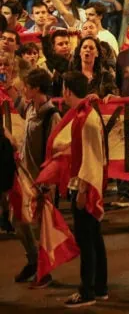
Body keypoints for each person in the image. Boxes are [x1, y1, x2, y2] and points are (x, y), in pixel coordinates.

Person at [59, 71, 109, 307]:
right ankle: (100, 287)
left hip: (85, 186)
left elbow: (92, 158)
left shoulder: (87, 117)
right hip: (87, 182)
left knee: (87, 241)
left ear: (68, 90)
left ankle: (87, 291)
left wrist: (82, 190)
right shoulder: (84, 113)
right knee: (94, 239)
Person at [9, 68, 62, 288]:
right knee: (17, 220)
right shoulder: (30, 107)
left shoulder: (51, 114)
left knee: (42, 228)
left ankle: (44, 271)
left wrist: (48, 182)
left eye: (27, 86)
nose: (24, 90)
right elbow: (16, 99)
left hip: (41, 180)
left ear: (37, 88)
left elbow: (57, 150)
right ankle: (33, 261)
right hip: (25, 176)